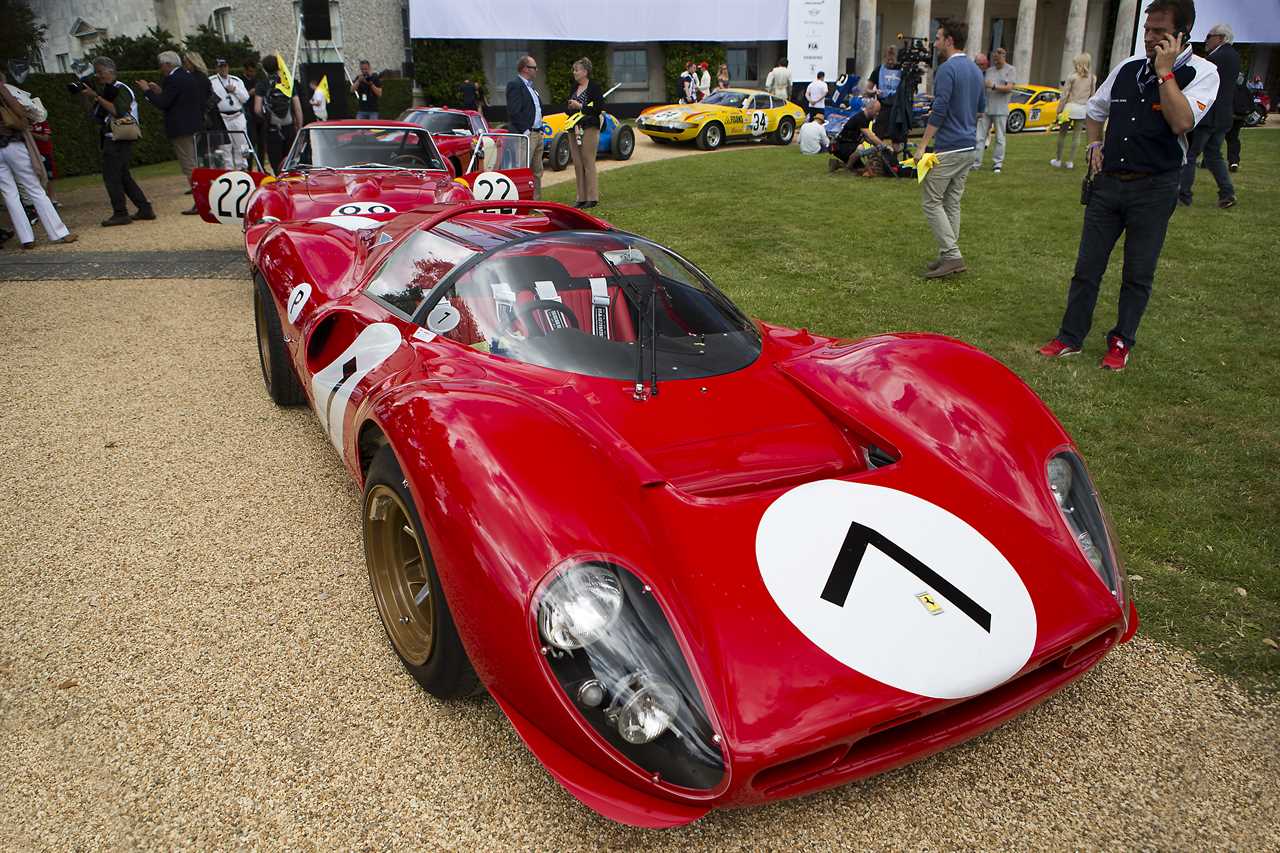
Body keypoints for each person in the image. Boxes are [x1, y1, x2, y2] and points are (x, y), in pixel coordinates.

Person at [1038, 0, 1219, 371]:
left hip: (1155, 187)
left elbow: (1182, 122)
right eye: (1147, 30)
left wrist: (1165, 73)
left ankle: (1121, 340)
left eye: (1159, 32)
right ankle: (1070, 336)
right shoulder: (1127, 68)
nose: (1150, 38)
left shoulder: (1203, 72)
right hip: (1109, 184)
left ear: (1182, 34)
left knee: (1138, 272)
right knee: (1087, 266)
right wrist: (1093, 144)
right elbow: (1095, 110)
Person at [917, 19, 984, 279]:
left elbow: (939, 111)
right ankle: (949, 254)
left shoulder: (947, 70)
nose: (934, 43)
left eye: (938, 38)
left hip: (950, 147)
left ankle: (952, 255)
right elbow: (980, 108)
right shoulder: (976, 70)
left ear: (949, 41)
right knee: (951, 202)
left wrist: (923, 144)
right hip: (969, 145)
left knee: (932, 202)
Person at [0, 71, 75, 247]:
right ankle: (59, 232)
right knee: (34, 188)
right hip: (13, 143)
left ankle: (26, 238)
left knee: (9, 193)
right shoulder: (4, 91)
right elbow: (20, 114)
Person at [80, 57, 155, 227]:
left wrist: (97, 97)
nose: (97, 75)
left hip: (118, 137)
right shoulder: (108, 90)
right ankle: (144, 208)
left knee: (112, 177)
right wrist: (88, 97)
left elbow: (119, 112)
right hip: (114, 137)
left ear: (111, 71)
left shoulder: (120, 89)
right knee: (123, 176)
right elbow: (95, 116)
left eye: (100, 72)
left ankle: (121, 213)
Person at [1177, 22, 1238, 208]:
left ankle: (1183, 195)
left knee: (1191, 154)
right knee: (1213, 155)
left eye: (1209, 37)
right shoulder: (1235, 57)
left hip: (1209, 115)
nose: (1206, 41)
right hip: (1224, 115)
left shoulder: (1214, 59)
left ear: (1219, 38)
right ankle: (1227, 193)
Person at [137, 50, 204, 212]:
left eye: (161, 65)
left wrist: (147, 91)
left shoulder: (172, 79)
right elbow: (176, 98)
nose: (161, 69)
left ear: (167, 64)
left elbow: (164, 104)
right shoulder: (187, 76)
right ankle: (203, 199)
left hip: (181, 128)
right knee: (196, 164)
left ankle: (200, 202)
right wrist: (159, 91)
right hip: (194, 125)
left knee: (190, 166)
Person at [253, 54, 304, 175]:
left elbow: (257, 109)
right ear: (278, 67)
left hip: (272, 130)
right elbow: (297, 108)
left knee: (276, 165)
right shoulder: (288, 83)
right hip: (289, 127)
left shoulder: (262, 84)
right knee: (290, 163)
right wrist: (299, 126)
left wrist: (266, 117)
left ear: (264, 68)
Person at [504, 55, 544, 199]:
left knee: (537, 170)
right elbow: (514, 111)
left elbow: (536, 109)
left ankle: (536, 202)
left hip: (537, 133)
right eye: (534, 68)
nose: (536, 70)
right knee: (523, 170)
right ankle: (522, 202)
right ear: (525, 69)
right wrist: (526, 131)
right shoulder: (515, 85)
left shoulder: (531, 88)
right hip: (525, 135)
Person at [566, 58, 603, 209]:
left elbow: (598, 108)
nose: (574, 72)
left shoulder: (593, 87)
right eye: (574, 70)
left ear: (585, 72)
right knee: (577, 162)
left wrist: (580, 106)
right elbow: (567, 108)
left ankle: (592, 197)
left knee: (588, 161)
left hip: (589, 127)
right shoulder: (574, 87)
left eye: (577, 70)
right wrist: (570, 107)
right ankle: (581, 197)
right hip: (573, 128)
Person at [973, 47, 1016, 173]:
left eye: (998, 59)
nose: (996, 62)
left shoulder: (1010, 70)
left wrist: (993, 86)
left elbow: (1009, 87)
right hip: (986, 108)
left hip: (1001, 109)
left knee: (1000, 138)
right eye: (994, 59)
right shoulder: (990, 71)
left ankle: (997, 164)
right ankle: (975, 163)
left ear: (1004, 56)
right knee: (979, 137)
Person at [1052, 53, 1095, 169]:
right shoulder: (1092, 78)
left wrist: (1059, 109)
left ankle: (1058, 159)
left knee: (1062, 134)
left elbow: (1064, 95)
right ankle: (1070, 161)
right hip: (1082, 109)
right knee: (1077, 136)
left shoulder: (1072, 77)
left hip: (1069, 108)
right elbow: (1092, 95)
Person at [210, 58, 252, 168]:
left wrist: (235, 91)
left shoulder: (236, 80)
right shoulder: (212, 81)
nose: (223, 69)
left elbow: (246, 98)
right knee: (225, 146)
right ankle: (227, 169)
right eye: (220, 67)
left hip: (237, 115)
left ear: (228, 67)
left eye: (225, 66)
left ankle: (243, 166)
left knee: (242, 144)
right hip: (222, 117)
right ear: (216, 68)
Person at [828, 98, 887, 173]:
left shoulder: (867, 118)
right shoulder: (860, 118)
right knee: (861, 148)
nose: (877, 114)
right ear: (870, 108)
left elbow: (866, 138)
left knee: (860, 169)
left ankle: (837, 164)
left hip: (847, 145)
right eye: (876, 111)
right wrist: (883, 145)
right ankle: (847, 168)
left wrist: (876, 146)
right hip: (840, 146)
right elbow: (870, 136)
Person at [1226, 67, 1248, 170]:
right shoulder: (1245, 89)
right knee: (1233, 139)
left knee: (1215, 139)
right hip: (1240, 118)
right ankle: (1234, 161)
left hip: (1229, 117)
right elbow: (1251, 105)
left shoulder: (1229, 88)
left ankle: (1206, 162)